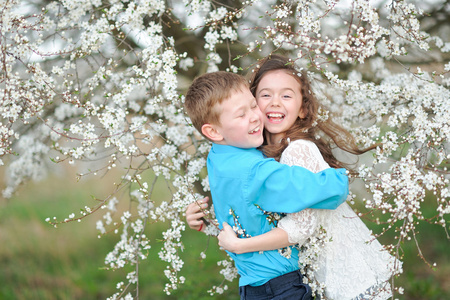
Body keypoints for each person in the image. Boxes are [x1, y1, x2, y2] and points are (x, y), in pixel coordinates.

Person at [214, 54, 402, 299]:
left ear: (302, 109)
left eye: (286, 95)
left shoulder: (298, 150)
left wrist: (240, 246)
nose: (275, 102)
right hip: (314, 277)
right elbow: (255, 214)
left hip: (342, 274)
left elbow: (301, 227)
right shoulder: (260, 158)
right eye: (265, 94)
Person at [184, 70, 349, 300]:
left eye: (253, 106)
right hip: (281, 288)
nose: (254, 117)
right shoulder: (257, 172)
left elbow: (240, 210)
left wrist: (205, 220)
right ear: (213, 131)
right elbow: (328, 190)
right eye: (241, 115)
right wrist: (339, 177)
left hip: (250, 289)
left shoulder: (217, 156)